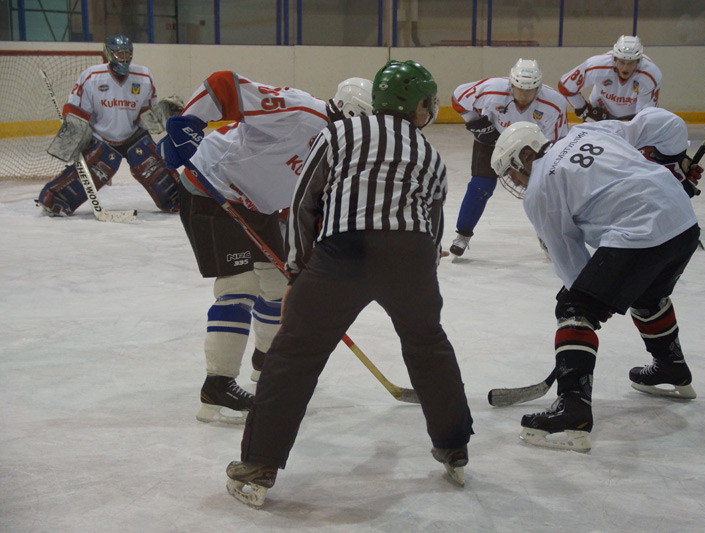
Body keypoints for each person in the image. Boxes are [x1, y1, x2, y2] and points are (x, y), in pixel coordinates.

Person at [225, 59, 474, 507]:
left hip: (344, 253)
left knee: (294, 354)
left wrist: (298, 271)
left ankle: (260, 463)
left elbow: (304, 201)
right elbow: (434, 228)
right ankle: (454, 444)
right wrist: (420, 287)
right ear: (417, 106)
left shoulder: (339, 133)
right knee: (428, 345)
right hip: (411, 256)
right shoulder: (430, 155)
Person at [157, 72, 374, 425]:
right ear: (353, 113)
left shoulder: (342, 149)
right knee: (238, 287)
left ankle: (265, 362)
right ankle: (217, 386)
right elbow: (225, 85)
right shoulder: (301, 111)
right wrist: (188, 123)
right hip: (214, 187)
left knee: (278, 284)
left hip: (259, 207)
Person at [489, 107, 704, 453]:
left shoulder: (540, 188)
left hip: (639, 234)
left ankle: (572, 407)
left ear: (526, 155)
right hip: (682, 221)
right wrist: (673, 161)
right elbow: (665, 123)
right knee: (647, 295)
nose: (515, 181)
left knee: (574, 309)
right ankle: (670, 367)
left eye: (512, 172)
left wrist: (586, 305)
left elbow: (569, 260)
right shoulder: (588, 132)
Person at [37, 34, 183, 216]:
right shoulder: (92, 76)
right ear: (108, 54)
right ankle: (54, 199)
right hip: (101, 137)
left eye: (127, 53)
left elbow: (145, 116)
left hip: (134, 135)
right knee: (96, 170)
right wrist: (74, 136)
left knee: (151, 165)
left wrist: (162, 114)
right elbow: (76, 110)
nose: (124, 58)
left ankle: (178, 199)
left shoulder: (144, 76)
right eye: (119, 54)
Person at [449, 58, 569, 257]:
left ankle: (547, 235)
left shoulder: (554, 103)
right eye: (519, 89)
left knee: (540, 190)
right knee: (480, 186)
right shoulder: (492, 90)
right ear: (511, 84)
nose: (523, 95)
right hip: (492, 141)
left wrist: (542, 168)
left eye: (529, 90)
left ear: (539, 87)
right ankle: (462, 235)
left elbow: (557, 141)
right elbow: (457, 98)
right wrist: (477, 123)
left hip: (529, 149)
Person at [558, 35, 662, 123]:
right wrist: (584, 109)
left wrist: (632, 128)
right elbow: (565, 86)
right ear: (614, 58)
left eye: (631, 63)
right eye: (622, 62)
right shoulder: (596, 65)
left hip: (632, 117)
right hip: (599, 113)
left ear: (639, 61)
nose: (625, 68)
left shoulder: (650, 75)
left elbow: (645, 116)